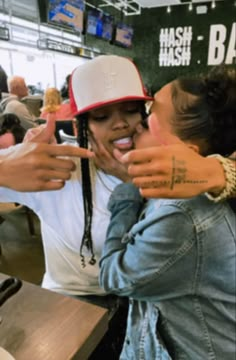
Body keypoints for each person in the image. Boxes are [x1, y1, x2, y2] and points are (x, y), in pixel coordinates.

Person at [0, 55, 152, 358]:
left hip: (139, 302)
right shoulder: (61, 170)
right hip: (71, 302)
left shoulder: (161, 167)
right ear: (83, 124)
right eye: (102, 115)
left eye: (130, 110)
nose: (120, 123)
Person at [99, 66, 236, 359]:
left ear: (184, 152)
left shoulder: (182, 215)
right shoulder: (187, 195)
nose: (134, 126)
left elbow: (113, 277)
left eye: (147, 121)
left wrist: (127, 190)